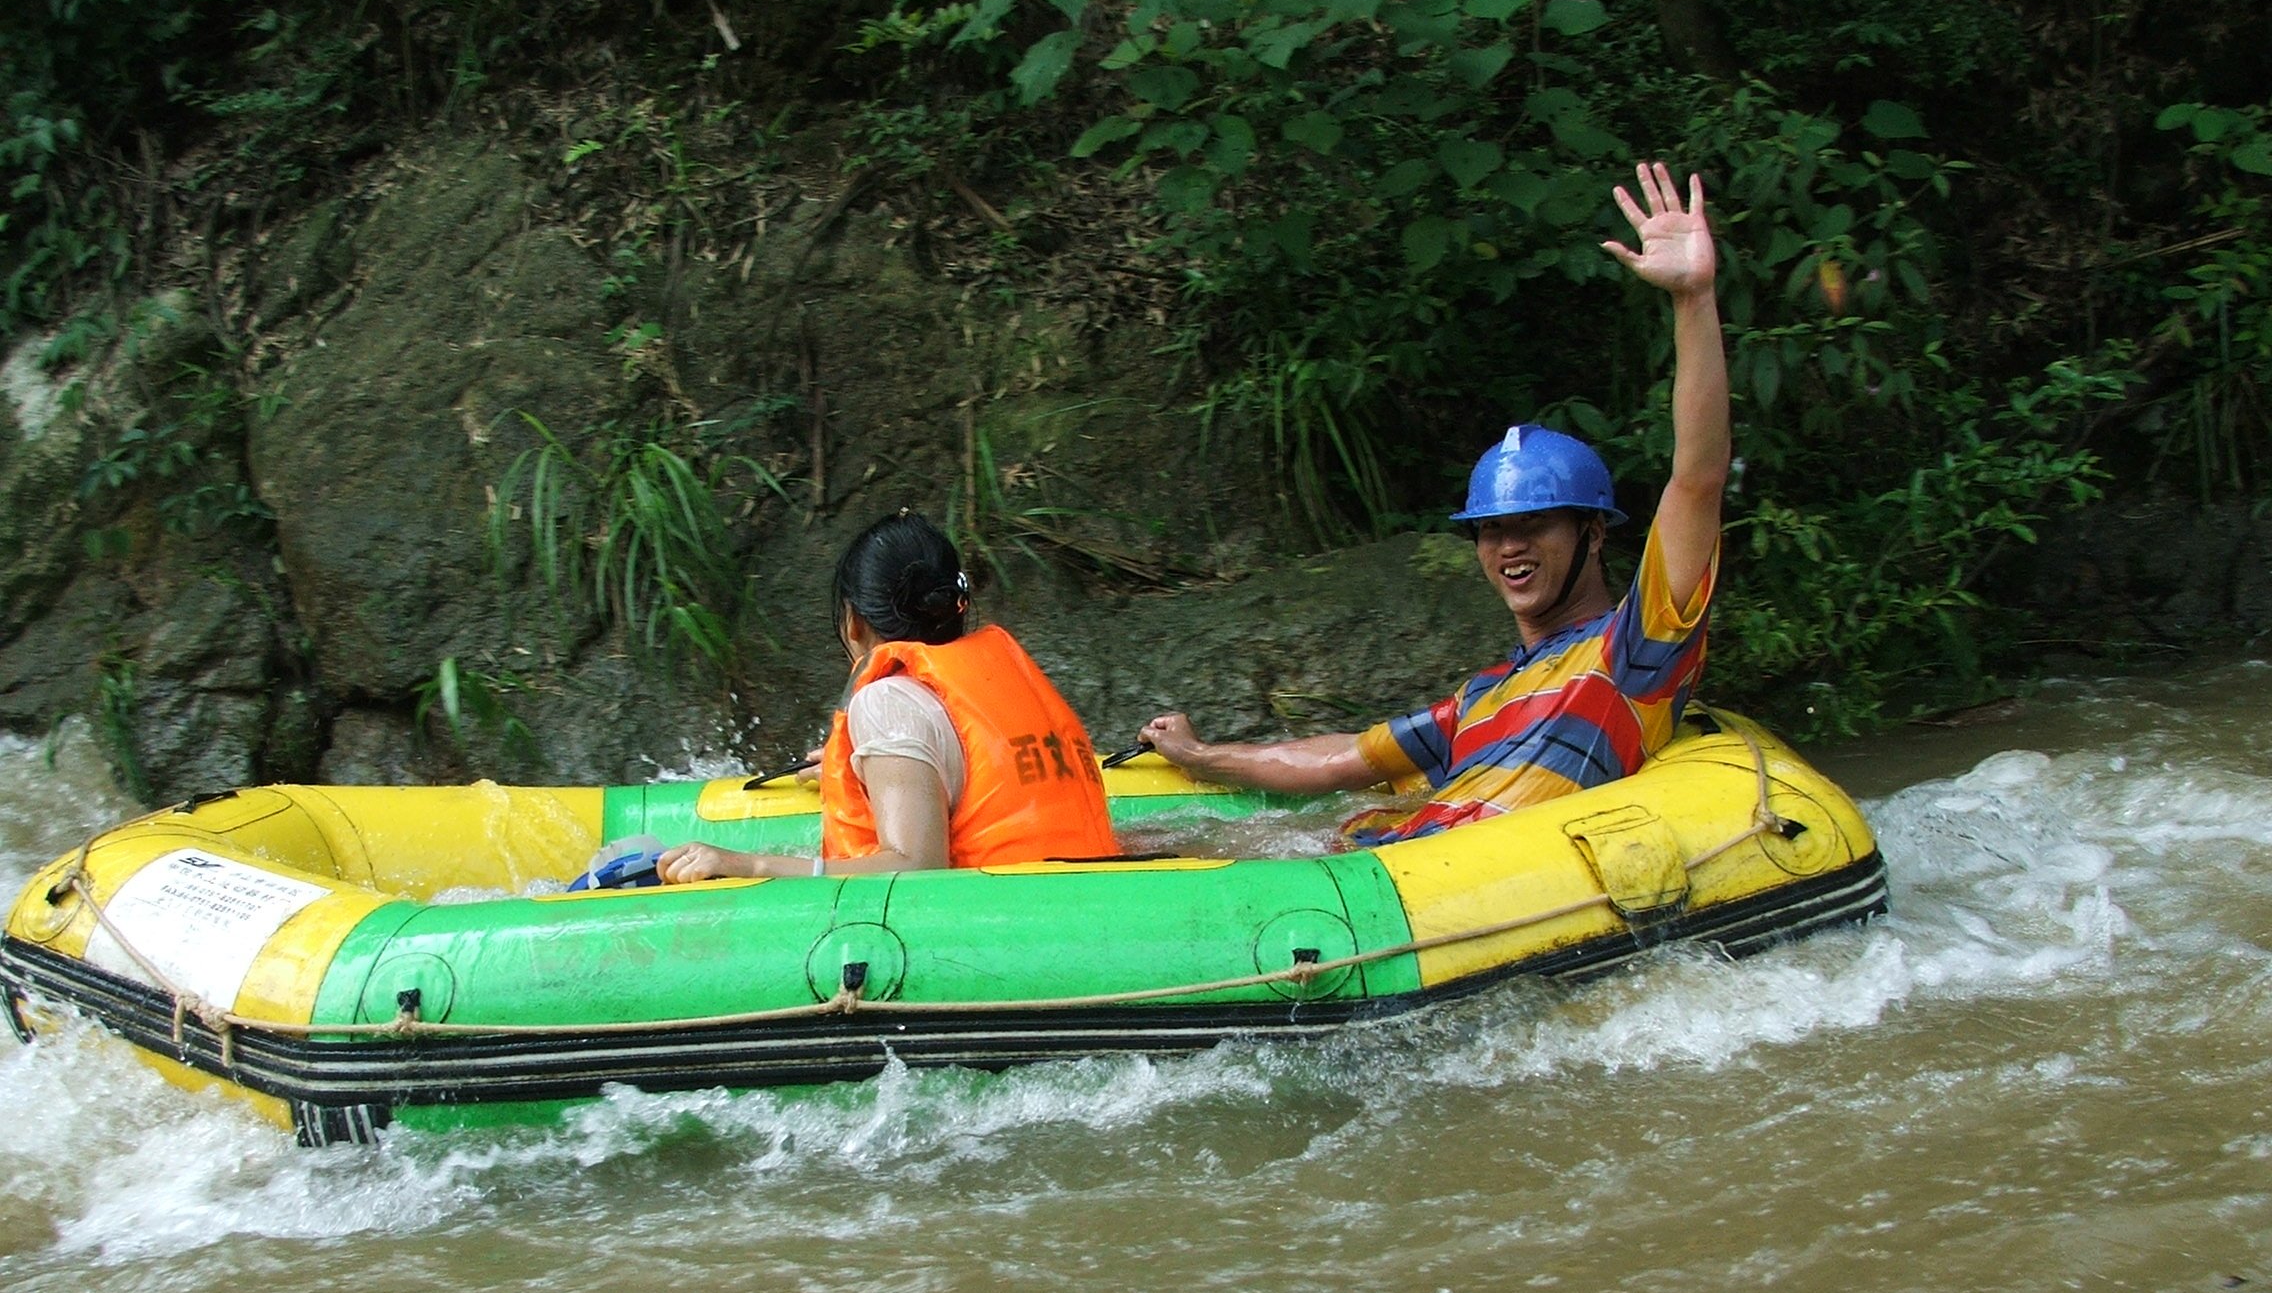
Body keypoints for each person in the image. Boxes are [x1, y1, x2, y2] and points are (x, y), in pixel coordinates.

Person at [1138, 160, 1729, 845]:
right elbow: (1345, 759)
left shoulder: (1637, 646)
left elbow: (1697, 480)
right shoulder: (1478, 698)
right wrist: (1200, 755)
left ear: (1594, 532)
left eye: (1533, 525)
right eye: (1491, 531)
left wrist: (1692, 300)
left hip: (1468, 898)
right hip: (1393, 864)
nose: (1509, 547)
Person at [658, 512, 1118, 882]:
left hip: (1002, 932)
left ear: (853, 622)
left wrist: (746, 864)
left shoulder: (888, 704)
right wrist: (882, 771)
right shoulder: (1004, 674)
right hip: (1084, 899)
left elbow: (914, 868)